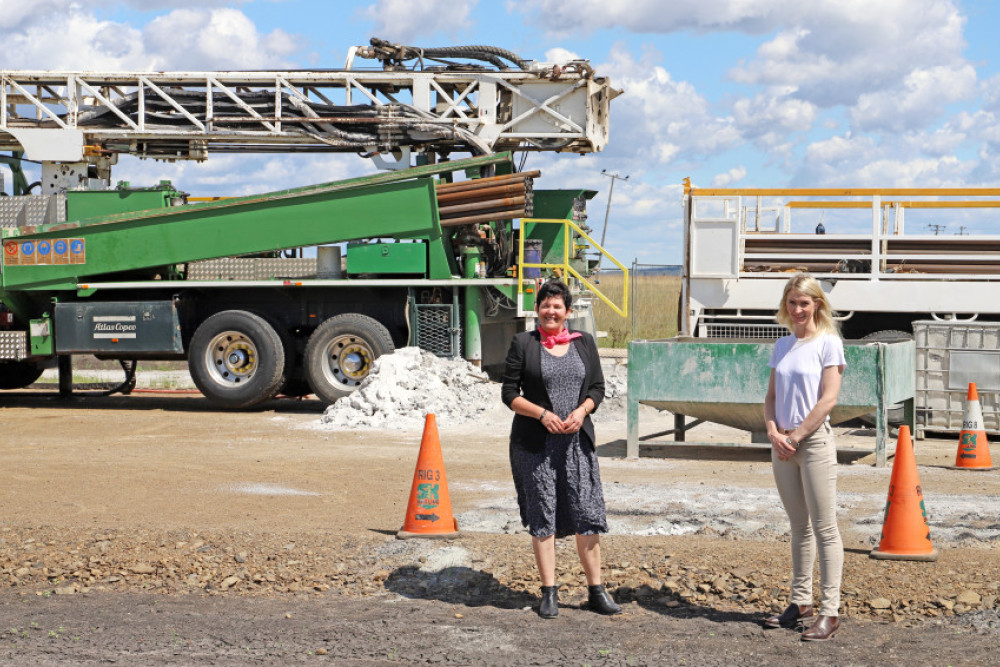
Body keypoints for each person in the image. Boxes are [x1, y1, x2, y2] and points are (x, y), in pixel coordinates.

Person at [501, 279, 621, 620]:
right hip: (536, 445)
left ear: (568, 312)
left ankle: (596, 591)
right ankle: (549, 592)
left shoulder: (584, 344)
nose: (551, 310)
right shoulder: (523, 343)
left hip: (576, 444)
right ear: (537, 310)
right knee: (544, 515)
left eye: (557, 306)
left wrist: (582, 411)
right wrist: (543, 415)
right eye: (545, 305)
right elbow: (509, 393)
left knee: (587, 515)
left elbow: (597, 388)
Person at [763, 273, 846, 641]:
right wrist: (772, 432)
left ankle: (830, 611)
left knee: (825, 527)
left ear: (817, 305)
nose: (798, 309)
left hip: (811, 443)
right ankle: (801, 602)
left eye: (805, 302)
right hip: (782, 445)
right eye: (793, 302)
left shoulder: (828, 343)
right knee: (798, 527)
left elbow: (828, 398)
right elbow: (770, 397)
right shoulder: (781, 346)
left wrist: (795, 435)